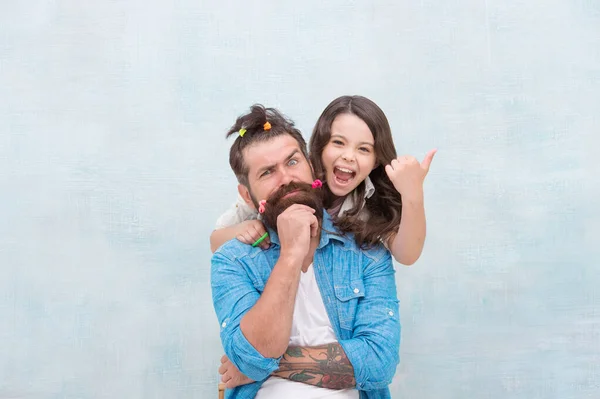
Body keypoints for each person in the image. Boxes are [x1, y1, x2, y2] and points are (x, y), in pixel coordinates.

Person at [211, 105, 400, 398]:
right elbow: (250, 356)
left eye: (292, 161)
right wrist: (289, 255)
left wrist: (269, 364)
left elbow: (379, 363)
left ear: (311, 165)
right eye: (267, 172)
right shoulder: (232, 260)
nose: (286, 178)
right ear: (248, 196)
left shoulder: (367, 251)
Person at [210, 95, 436, 267]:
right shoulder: (292, 181)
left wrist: (412, 194)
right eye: (338, 142)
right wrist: (245, 228)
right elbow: (216, 240)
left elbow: (407, 254)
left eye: (364, 149)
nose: (349, 156)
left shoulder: (370, 203)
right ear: (319, 146)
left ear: (376, 161)